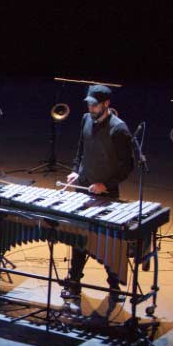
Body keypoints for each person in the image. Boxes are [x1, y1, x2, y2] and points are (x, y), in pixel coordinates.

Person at [63, 83, 134, 297]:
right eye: (89, 104)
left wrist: (107, 184)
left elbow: (127, 166)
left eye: (94, 105)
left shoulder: (119, 129)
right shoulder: (86, 119)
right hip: (84, 188)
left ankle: (114, 283)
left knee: (108, 241)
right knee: (79, 237)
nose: (90, 108)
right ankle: (74, 280)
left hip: (106, 194)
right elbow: (80, 151)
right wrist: (75, 171)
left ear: (106, 104)